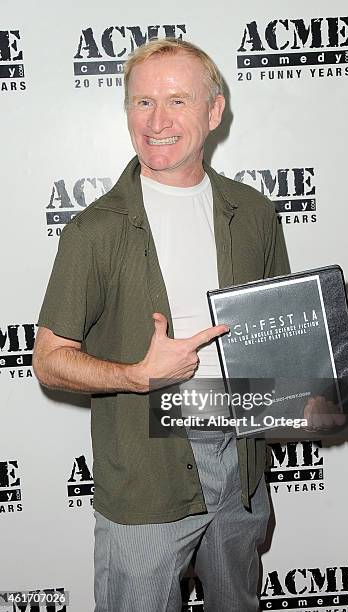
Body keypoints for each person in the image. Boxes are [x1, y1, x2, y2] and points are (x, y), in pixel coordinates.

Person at [32, 38, 290, 612]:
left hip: (240, 463)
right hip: (146, 475)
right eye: (142, 102)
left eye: (177, 100)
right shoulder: (93, 232)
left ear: (214, 110)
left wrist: (319, 380)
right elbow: (49, 358)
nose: (158, 120)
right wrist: (138, 374)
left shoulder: (254, 213)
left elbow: (279, 336)